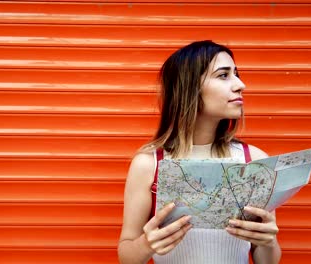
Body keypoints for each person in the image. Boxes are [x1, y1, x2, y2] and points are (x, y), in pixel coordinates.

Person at [117, 40, 281, 264]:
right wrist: (146, 245)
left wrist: (268, 242)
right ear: (190, 87)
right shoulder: (149, 163)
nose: (240, 84)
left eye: (237, 74)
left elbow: (268, 261)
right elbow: (126, 254)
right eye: (223, 75)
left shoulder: (255, 161)